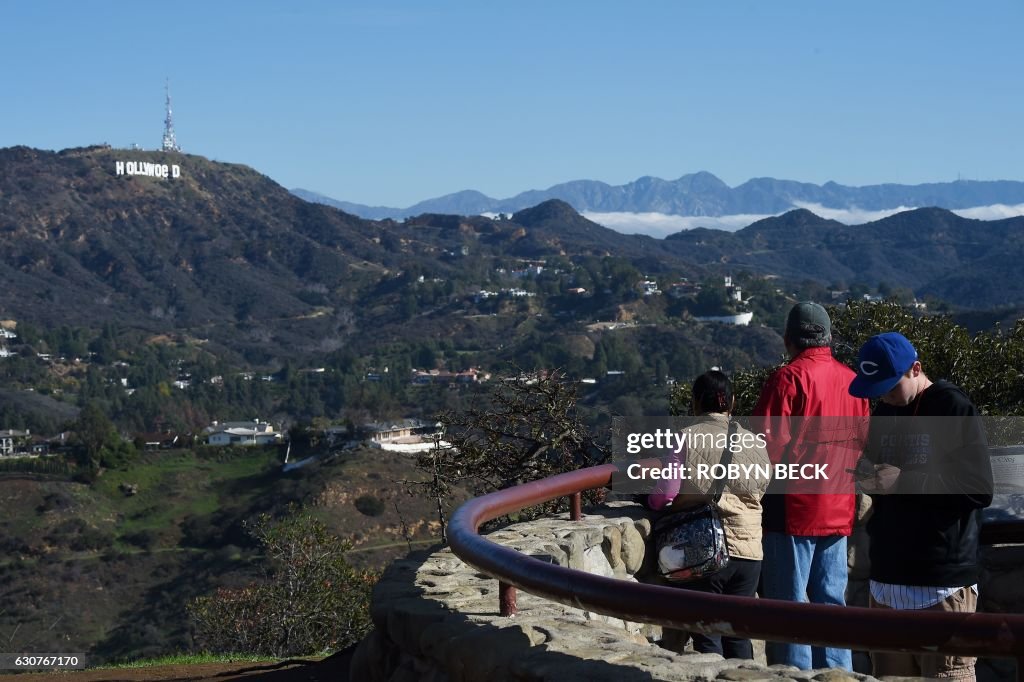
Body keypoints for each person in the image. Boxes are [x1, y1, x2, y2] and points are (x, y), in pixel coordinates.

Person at [849, 332, 992, 681]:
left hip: (940, 584)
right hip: (886, 584)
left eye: (889, 385)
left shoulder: (952, 406)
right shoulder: (885, 410)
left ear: (916, 369)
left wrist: (902, 481)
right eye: (876, 388)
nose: (883, 396)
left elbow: (978, 488)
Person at [752, 302, 869, 671]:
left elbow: (763, 449)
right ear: (829, 337)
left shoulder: (787, 380)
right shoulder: (855, 382)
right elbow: (861, 442)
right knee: (832, 604)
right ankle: (839, 676)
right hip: (839, 508)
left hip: (794, 511)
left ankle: (795, 678)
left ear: (789, 339)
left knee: (790, 608)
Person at [648, 370, 771, 659]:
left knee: (707, 639)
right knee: (739, 636)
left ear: (695, 403)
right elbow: (760, 489)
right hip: (750, 552)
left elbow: (665, 493)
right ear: (732, 403)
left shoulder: (686, 438)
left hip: (707, 550)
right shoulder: (756, 443)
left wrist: (651, 503)